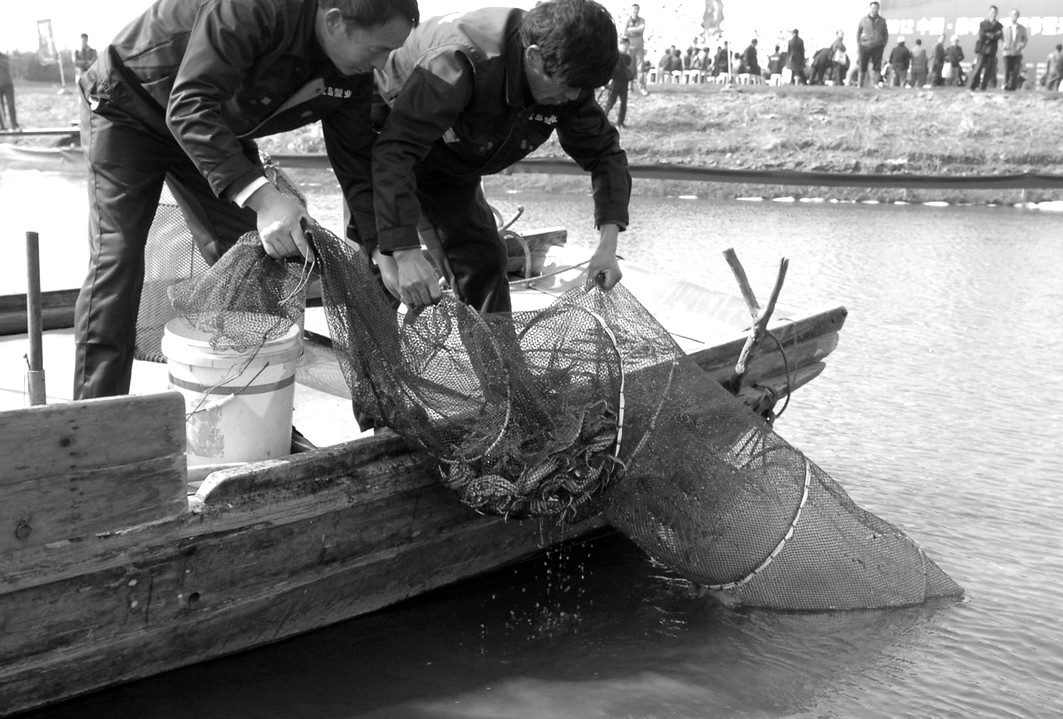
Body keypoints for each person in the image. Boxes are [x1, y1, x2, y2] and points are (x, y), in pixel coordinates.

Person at [72, 0, 418, 401]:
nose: (381, 64)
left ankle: (252, 412)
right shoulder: (254, 9)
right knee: (120, 257)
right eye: (377, 50)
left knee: (253, 261)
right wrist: (267, 201)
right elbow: (189, 105)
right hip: (128, 107)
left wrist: (385, 248)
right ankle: (94, 415)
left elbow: (357, 165)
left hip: (214, 128)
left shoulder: (353, 74)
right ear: (336, 22)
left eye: (390, 53)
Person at [370, 0, 630, 314]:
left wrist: (607, 245)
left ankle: (499, 362)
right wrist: (404, 251)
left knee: (483, 259)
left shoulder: (568, 72)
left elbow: (605, 155)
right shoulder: (457, 62)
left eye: (581, 89)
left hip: (453, 153)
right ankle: (372, 353)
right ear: (533, 57)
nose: (573, 97)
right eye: (568, 87)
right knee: (382, 269)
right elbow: (396, 151)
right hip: (381, 138)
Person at [969, 6, 1003, 91]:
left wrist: (991, 35)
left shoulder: (999, 26)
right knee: (978, 68)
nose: (993, 13)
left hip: (992, 50)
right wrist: (992, 35)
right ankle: (973, 86)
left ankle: (983, 86)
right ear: (989, 12)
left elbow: (998, 35)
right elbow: (982, 35)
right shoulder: (983, 23)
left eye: (995, 12)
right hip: (982, 49)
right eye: (991, 12)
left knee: (989, 70)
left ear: (996, 13)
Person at [856, 1, 888, 88]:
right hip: (865, 46)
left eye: (876, 8)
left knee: (877, 67)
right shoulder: (863, 20)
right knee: (862, 66)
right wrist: (859, 44)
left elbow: (885, 34)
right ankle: (860, 84)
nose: (875, 10)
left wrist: (883, 44)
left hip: (877, 46)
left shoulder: (882, 21)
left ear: (878, 9)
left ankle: (876, 84)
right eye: (873, 8)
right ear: (870, 8)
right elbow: (858, 32)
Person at [604, 36, 634, 127]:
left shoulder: (628, 57)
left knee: (624, 103)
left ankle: (620, 122)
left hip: (624, 82)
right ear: (619, 45)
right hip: (615, 81)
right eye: (623, 45)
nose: (625, 47)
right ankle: (603, 120)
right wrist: (608, 80)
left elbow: (628, 66)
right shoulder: (614, 55)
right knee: (611, 102)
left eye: (627, 45)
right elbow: (609, 69)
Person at [1001, 9, 1028, 91]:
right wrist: (1003, 46)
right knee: (1006, 70)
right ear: (1010, 15)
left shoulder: (1021, 28)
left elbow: (1025, 39)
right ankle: (1005, 85)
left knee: (1015, 71)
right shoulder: (1005, 27)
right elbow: (1000, 39)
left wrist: (1021, 46)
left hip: (1017, 53)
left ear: (1018, 16)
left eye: (1016, 14)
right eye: (1013, 14)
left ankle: (1013, 86)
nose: (1014, 16)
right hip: (1007, 52)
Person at [624, 4, 646, 94]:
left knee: (640, 68)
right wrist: (635, 30)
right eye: (634, 9)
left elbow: (641, 29)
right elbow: (625, 31)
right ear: (631, 10)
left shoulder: (642, 20)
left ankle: (642, 87)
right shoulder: (627, 20)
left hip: (639, 46)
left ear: (639, 10)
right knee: (630, 67)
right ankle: (630, 87)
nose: (635, 11)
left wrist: (630, 30)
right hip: (630, 47)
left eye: (637, 9)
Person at [0, 50, 17, 131]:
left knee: (11, 106)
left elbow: (5, 65)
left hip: (7, 85)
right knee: (1, 108)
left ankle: (14, 124)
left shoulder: (4, 57)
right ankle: (3, 126)